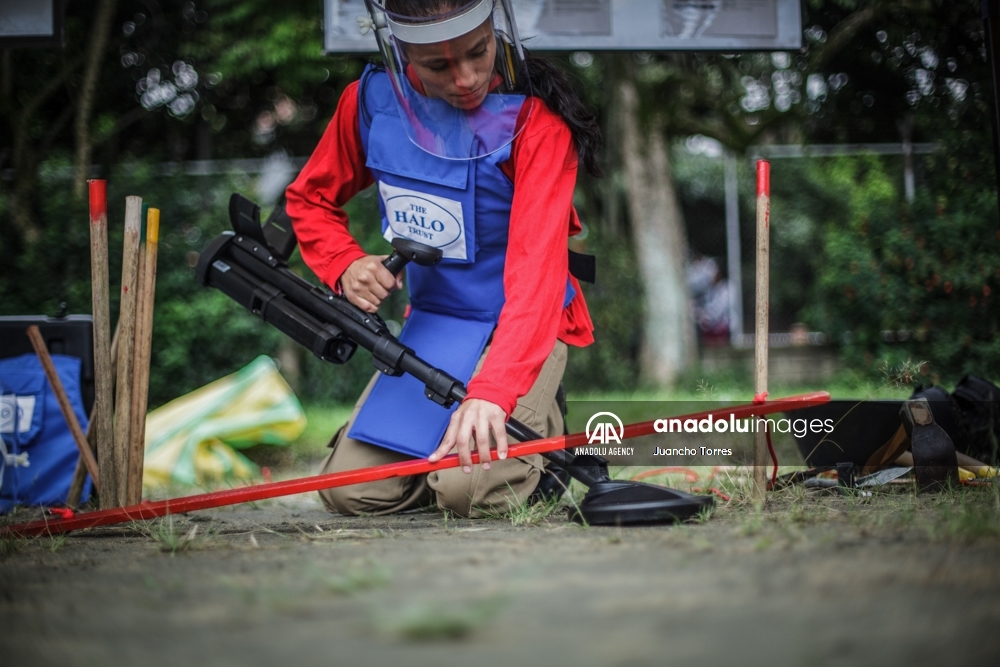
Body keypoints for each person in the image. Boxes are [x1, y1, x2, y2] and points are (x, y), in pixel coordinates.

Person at [284, 0, 600, 518]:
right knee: (350, 492)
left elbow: (536, 277)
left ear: (497, 31)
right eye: (436, 66)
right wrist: (343, 262)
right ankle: (452, 461)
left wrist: (494, 392)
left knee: (468, 492)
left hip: (521, 325)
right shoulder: (368, 103)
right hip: (435, 323)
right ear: (401, 52)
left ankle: (540, 445)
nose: (467, 77)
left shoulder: (536, 125)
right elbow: (309, 199)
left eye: (479, 52)